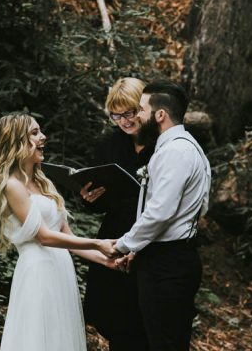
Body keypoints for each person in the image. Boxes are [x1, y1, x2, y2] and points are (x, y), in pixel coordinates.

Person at [0, 113, 119, 351]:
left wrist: (106, 260)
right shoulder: (12, 185)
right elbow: (44, 237)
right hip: (38, 272)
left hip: (61, 269)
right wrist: (98, 243)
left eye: (41, 131)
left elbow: (68, 239)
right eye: (34, 133)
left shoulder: (44, 183)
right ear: (17, 141)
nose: (43, 137)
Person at [113, 80, 211, 351]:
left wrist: (124, 245)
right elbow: (199, 206)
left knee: (165, 343)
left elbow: (160, 211)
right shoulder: (187, 146)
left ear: (160, 115)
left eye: (142, 109)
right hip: (170, 257)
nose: (138, 115)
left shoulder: (175, 151)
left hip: (167, 265)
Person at [80, 77, 152, 351]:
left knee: (144, 321)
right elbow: (101, 200)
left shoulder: (161, 143)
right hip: (116, 234)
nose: (124, 120)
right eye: (116, 115)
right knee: (116, 318)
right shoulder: (109, 144)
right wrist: (89, 198)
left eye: (129, 112)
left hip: (151, 236)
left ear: (143, 108)